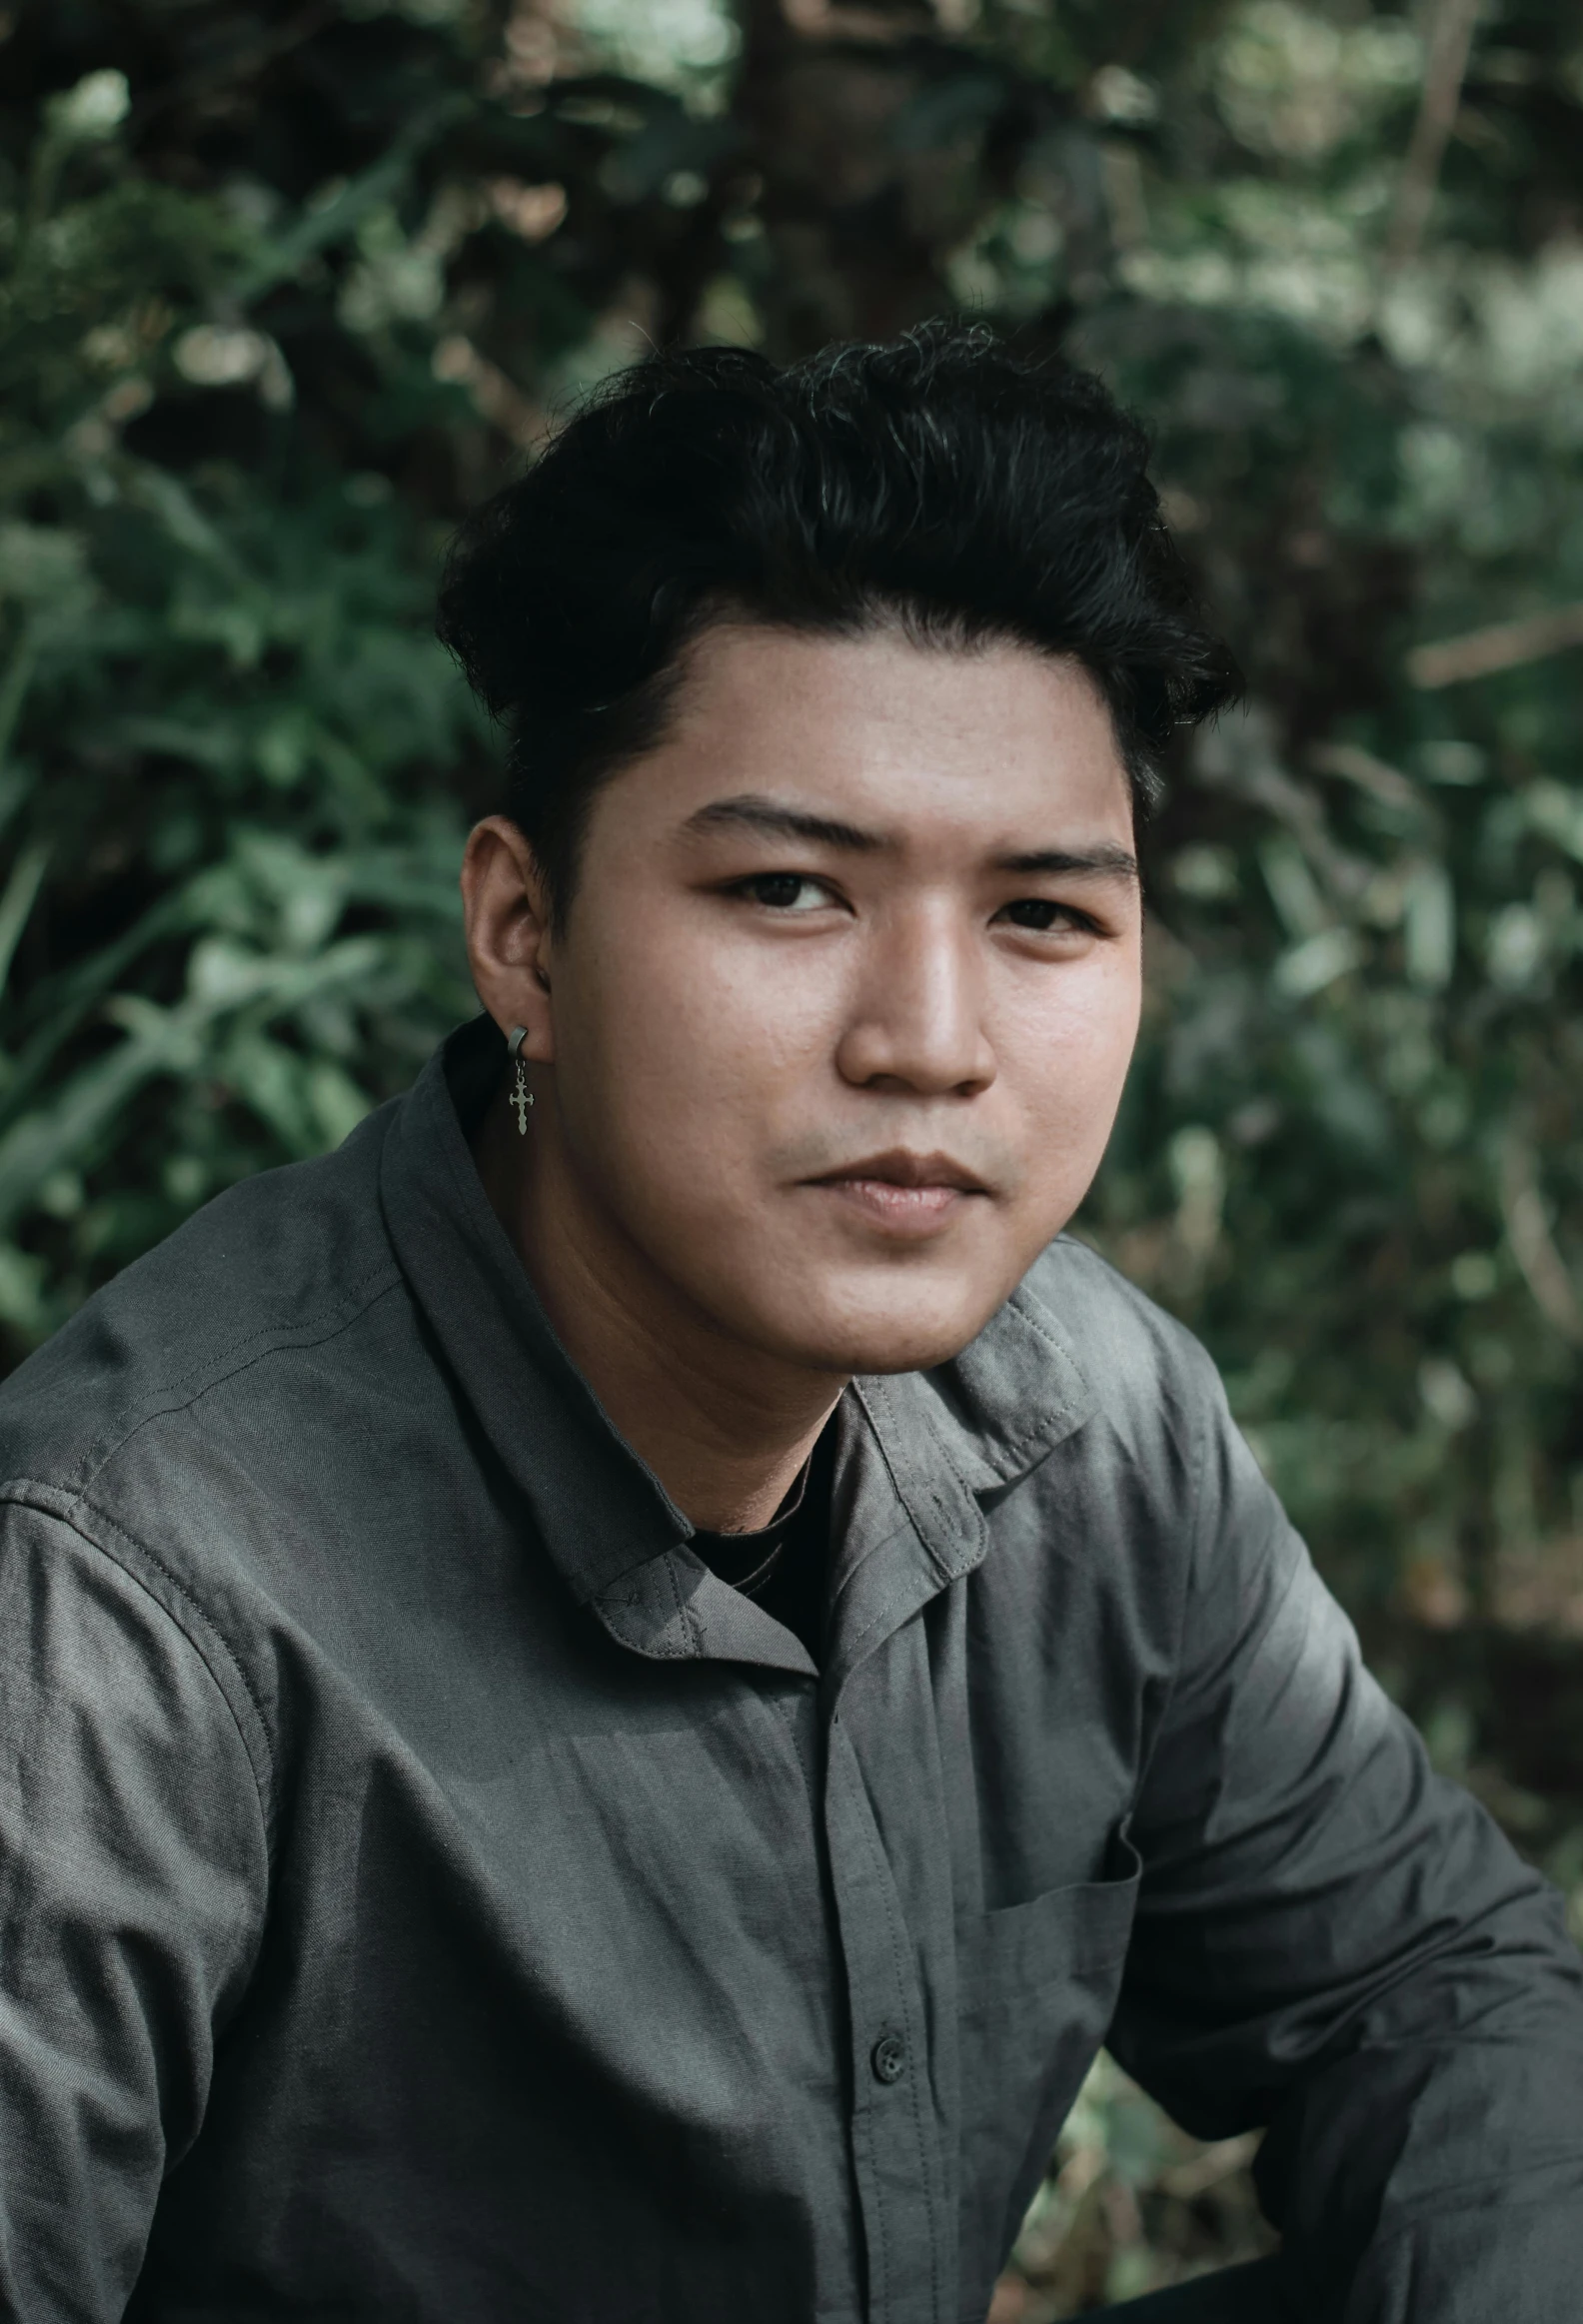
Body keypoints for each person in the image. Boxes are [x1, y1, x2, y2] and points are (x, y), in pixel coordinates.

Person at [0, 325, 1578, 2324]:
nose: (928, 1039)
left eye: (1043, 916)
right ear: (524, 932)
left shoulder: (1093, 1420)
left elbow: (1436, 1990)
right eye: (790, 892)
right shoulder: (127, 1596)